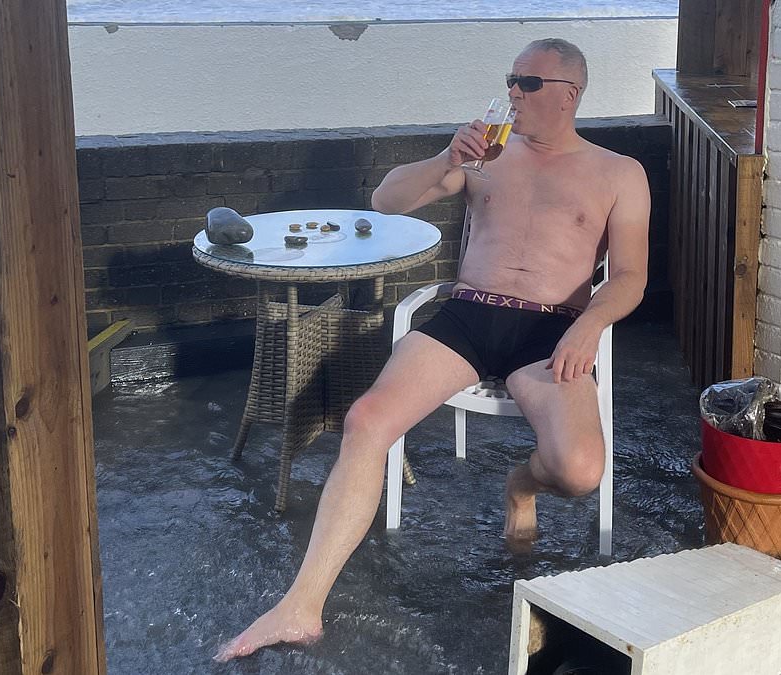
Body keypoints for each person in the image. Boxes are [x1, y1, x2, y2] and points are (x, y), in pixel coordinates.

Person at [215, 37, 651, 662]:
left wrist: (590, 326)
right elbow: (387, 201)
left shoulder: (617, 173)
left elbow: (630, 276)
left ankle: (520, 486)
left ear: (569, 95)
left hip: (553, 328)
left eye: (527, 84)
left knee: (580, 472)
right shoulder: (486, 154)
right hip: (470, 314)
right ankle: (300, 607)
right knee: (366, 421)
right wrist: (447, 156)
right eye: (510, 79)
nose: (512, 93)